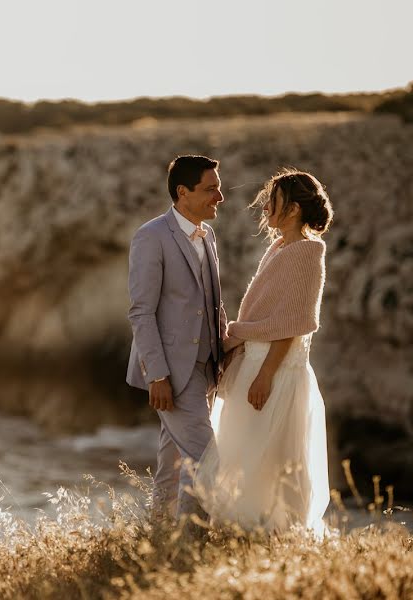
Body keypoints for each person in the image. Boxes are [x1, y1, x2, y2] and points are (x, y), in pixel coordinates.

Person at [195, 169, 334, 536]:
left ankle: (272, 537)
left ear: (293, 209)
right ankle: (242, 536)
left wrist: (266, 376)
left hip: (276, 371)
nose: (266, 206)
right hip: (255, 363)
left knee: (270, 459)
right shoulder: (280, 246)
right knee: (240, 457)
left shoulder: (308, 250)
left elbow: (293, 322)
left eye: (274, 200)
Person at [126, 155, 228, 522]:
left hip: (206, 368)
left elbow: (211, 302)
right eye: (211, 189)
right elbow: (141, 311)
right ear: (183, 192)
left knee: (171, 463)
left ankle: (158, 536)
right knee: (207, 460)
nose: (220, 196)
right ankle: (191, 544)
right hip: (171, 371)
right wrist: (157, 375)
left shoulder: (208, 234)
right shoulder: (151, 236)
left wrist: (225, 352)